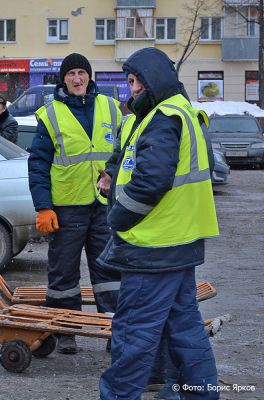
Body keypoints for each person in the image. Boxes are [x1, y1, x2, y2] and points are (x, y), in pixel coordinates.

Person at [97, 47, 219, 400]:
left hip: (153, 247)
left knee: (133, 334)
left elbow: (151, 182)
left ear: (153, 79)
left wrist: (117, 217)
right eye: (129, 82)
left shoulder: (163, 117)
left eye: (135, 81)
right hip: (179, 243)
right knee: (185, 329)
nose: (131, 89)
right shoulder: (178, 112)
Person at [28, 52, 122, 354]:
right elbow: (38, 165)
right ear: (63, 79)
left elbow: (123, 152)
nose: (77, 79)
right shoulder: (51, 113)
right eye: (71, 74)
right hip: (66, 207)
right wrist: (43, 206)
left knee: (109, 269)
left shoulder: (110, 107)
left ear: (90, 76)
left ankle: (113, 328)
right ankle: (66, 330)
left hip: (103, 205)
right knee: (63, 272)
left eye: (82, 72)